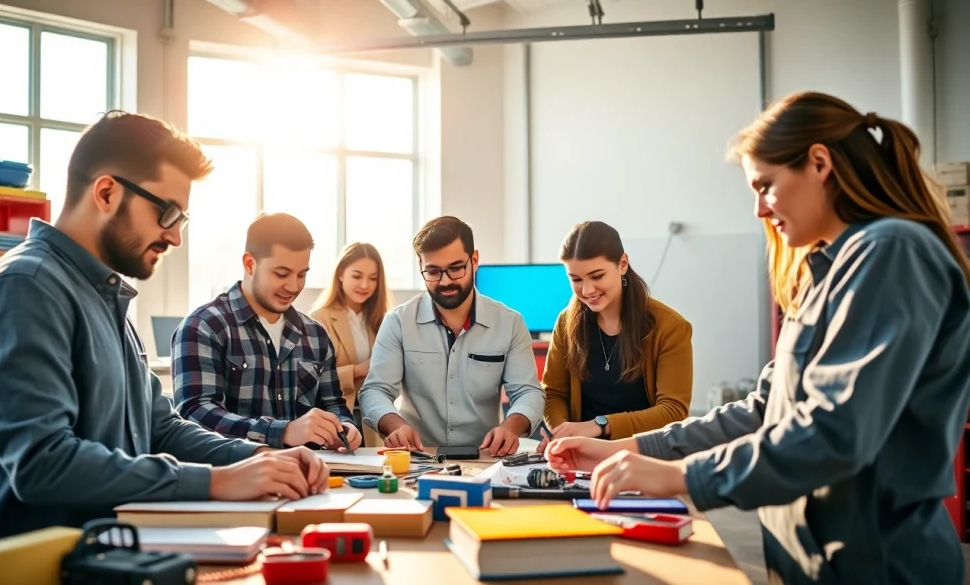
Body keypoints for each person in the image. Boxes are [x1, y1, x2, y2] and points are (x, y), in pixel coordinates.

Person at [545, 92, 970, 584]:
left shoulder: (891, 253)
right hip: (808, 558)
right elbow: (764, 409)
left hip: (879, 563)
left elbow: (834, 434)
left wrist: (681, 476)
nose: (759, 210)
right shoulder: (826, 272)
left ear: (819, 163)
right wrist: (633, 449)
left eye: (765, 186)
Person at [0, 112, 329, 539]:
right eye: (167, 213)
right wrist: (216, 481)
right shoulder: (26, 287)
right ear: (107, 193)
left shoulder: (102, 295)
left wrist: (259, 458)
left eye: (181, 220)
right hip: (34, 561)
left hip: (110, 546)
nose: (176, 237)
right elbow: (42, 463)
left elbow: (159, 429)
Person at [173, 213, 361, 452]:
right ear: (250, 264)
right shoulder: (203, 326)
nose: (293, 286)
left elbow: (333, 404)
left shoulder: (316, 335)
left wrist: (343, 427)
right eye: (281, 274)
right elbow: (195, 413)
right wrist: (283, 431)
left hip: (309, 471)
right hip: (236, 471)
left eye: (302, 274)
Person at [359, 216, 545, 456]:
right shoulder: (398, 322)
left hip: (485, 457)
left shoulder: (510, 323)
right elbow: (375, 390)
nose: (445, 281)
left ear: (474, 260)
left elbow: (528, 392)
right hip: (418, 457)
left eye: (456, 269)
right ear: (420, 265)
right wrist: (395, 425)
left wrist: (510, 427)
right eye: (433, 271)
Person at [538, 221, 692, 454]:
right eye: (576, 279)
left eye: (597, 276)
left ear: (622, 264)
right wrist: (562, 434)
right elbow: (554, 394)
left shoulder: (670, 327)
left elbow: (673, 411)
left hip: (644, 454)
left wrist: (600, 425)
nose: (587, 290)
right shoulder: (566, 321)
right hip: (582, 453)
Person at [310, 242, 394, 446]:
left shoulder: (384, 320)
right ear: (341, 274)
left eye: (373, 278)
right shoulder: (319, 319)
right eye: (357, 276)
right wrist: (357, 370)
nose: (365, 285)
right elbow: (311, 380)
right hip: (337, 420)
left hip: (373, 421)